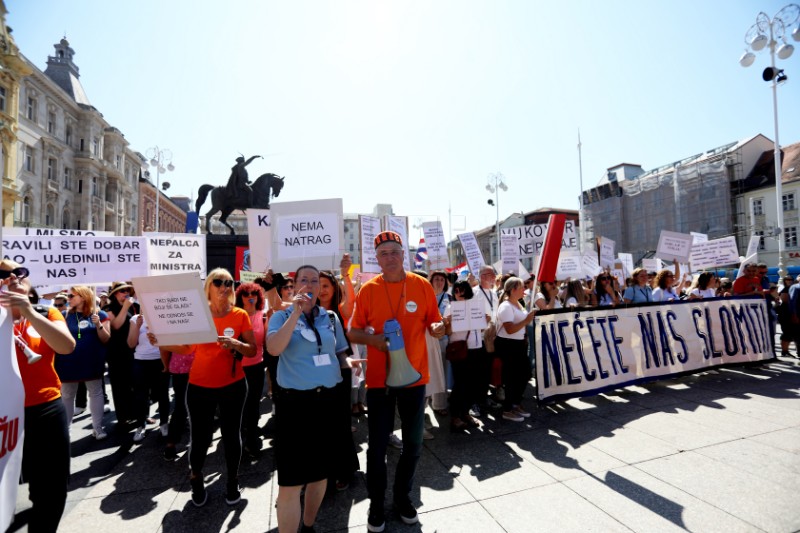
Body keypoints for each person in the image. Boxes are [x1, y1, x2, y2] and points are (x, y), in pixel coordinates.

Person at [348, 231, 445, 532]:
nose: (389, 257)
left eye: (394, 251)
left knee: (413, 444)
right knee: (376, 447)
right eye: (383, 253)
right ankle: (377, 505)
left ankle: (403, 498)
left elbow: (434, 320)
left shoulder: (422, 284)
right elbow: (353, 332)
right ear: (376, 260)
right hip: (379, 381)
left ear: (403, 254)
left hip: (414, 378)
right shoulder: (368, 290)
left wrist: (439, 327)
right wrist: (373, 340)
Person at [149, 268, 256, 507]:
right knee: (200, 437)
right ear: (208, 285)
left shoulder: (240, 315)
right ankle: (196, 478)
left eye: (229, 282)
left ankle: (232, 480)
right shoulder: (198, 314)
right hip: (200, 386)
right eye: (219, 282)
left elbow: (252, 349)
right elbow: (187, 349)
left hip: (233, 385)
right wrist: (162, 341)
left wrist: (236, 344)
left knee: (232, 435)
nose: (224, 287)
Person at [267, 265, 355, 533]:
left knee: (320, 475)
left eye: (314, 280)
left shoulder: (329, 317)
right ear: (294, 285)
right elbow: (273, 348)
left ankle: (308, 525)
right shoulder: (280, 316)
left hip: (328, 402)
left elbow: (339, 352)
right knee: (291, 482)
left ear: (320, 286)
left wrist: (350, 362)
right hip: (295, 405)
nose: (309, 284)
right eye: (303, 279)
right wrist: (294, 313)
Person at [1, 260, 75, 533]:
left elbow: (66, 346)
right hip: (5, 413)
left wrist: (29, 312)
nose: (13, 278)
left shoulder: (47, 311)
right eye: (3, 274)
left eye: (19, 272)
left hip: (44, 408)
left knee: (51, 489)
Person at [317, 264, 360, 490]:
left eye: (326, 285)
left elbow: (351, 303)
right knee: (320, 426)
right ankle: (320, 472)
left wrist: (345, 275)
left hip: (340, 370)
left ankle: (343, 470)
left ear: (334, 288)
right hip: (313, 375)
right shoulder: (304, 311)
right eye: (318, 285)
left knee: (340, 423)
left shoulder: (339, 311)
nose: (322, 290)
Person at [56, 285, 111, 440]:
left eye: (72, 296)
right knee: (67, 395)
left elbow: (106, 338)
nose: (69, 299)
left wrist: (98, 324)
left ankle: (97, 428)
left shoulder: (100, 314)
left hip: (92, 361)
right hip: (68, 361)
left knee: (96, 392)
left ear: (83, 296)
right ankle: (65, 430)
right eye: (68, 296)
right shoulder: (64, 315)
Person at [445, 280, 486, 431]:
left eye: (461, 290)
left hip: (476, 348)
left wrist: (484, 320)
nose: (459, 294)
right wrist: (448, 323)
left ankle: (465, 412)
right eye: (456, 291)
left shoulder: (476, 306)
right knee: (460, 384)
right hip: (460, 350)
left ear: (467, 291)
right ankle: (455, 416)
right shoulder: (451, 308)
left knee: (474, 383)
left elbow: (481, 329)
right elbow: (447, 332)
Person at [495, 277, 536, 422]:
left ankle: (515, 403)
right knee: (511, 377)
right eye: (521, 287)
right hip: (508, 344)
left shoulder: (518, 304)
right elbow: (510, 329)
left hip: (518, 344)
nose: (524, 290)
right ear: (513, 290)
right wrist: (526, 321)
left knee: (524, 374)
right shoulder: (506, 306)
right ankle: (507, 409)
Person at [234, 282, 267, 457]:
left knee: (253, 403)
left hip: (257, 365)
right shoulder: (236, 316)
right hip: (238, 366)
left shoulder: (263, 316)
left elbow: (267, 341)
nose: (250, 296)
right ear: (240, 297)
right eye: (246, 294)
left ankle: (251, 439)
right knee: (240, 404)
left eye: (254, 293)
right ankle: (239, 435)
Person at [128, 313, 170, 443]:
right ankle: (141, 425)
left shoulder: (164, 315)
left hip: (160, 359)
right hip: (141, 361)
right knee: (141, 395)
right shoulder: (136, 319)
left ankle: (164, 423)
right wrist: (137, 326)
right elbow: (131, 343)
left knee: (163, 394)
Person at [103, 281, 138, 430]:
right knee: (119, 386)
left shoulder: (134, 307)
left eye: (127, 291)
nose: (125, 293)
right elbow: (116, 325)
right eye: (122, 291)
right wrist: (124, 308)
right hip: (116, 352)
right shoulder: (108, 308)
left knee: (134, 384)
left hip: (132, 351)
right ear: (115, 294)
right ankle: (122, 417)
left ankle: (137, 414)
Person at [161, 345, 195, 461]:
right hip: (199, 366)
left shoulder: (172, 326)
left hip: (179, 367)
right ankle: (199, 440)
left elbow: (163, 347)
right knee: (200, 406)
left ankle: (171, 444)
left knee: (181, 406)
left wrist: (166, 365)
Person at [429, 270, 451, 416]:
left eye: (442, 280)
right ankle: (433, 399)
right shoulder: (426, 295)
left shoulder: (449, 297)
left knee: (442, 370)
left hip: (444, 339)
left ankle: (439, 403)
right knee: (431, 371)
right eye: (436, 279)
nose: (439, 282)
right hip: (429, 339)